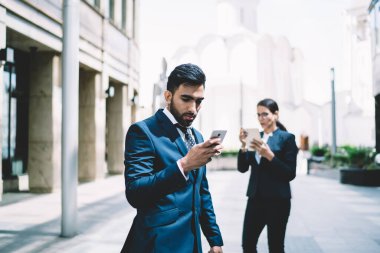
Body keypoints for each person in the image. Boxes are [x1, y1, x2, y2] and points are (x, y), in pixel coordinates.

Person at [121, 63, 224, 253]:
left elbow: (201, 192)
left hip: (192, 243)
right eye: (186, 99)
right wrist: (184, 165)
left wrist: (214, 239)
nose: (193, 108)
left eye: (199, 101)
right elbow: (135, 193)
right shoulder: (143, 132)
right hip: (158, 244)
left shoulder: (198, 137)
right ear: (168, 96)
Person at [237, 98, 298, 253]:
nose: (261, 118)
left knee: (276, 247)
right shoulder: (254, 136)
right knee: (248, 245)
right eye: (258, 115)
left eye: (265, 114)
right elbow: (242, 168)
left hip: (278, 201)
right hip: (255, 199)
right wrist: (244, 146)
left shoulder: (287, 138)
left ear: (275, 114)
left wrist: (270, 156)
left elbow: (290, 173)